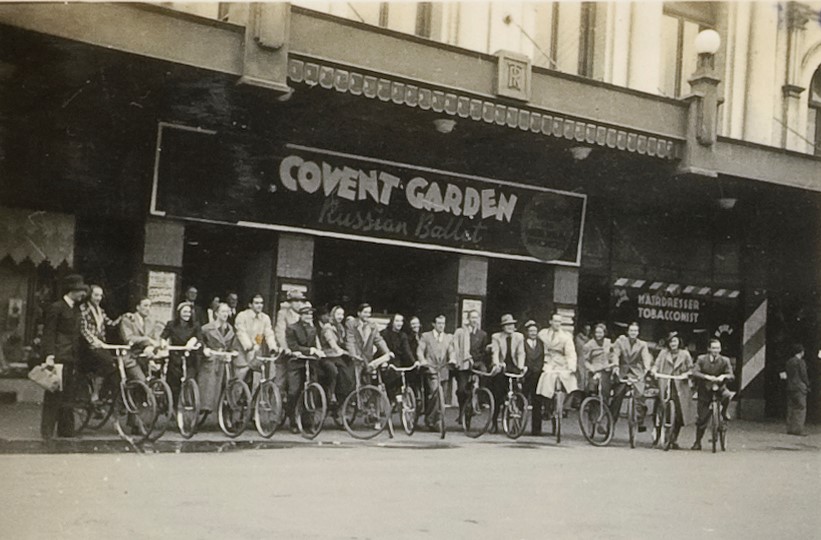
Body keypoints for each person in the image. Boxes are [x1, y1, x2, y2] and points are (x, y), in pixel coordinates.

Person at [40, 274, 87, 440]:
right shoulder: (56, 307)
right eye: (81, 290)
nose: (83, 294)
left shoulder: (75, 309)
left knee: (68, 394)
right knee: (54, 394)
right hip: (59, 356)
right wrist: (49, 355)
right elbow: (49, 332)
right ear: (71, 290)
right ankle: (47, 431)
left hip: (71, 357)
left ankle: (66, 430)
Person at [285, 303, 338, 433]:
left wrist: (318, 352)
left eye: (310, 315)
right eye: (306, 314)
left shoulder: (312, 329)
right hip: (297, 363)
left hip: (310, 363)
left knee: (312, 390)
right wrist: (310, 350)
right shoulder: (291, 328)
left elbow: (315, 345)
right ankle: (292, 420)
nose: (309, 317)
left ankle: (308, 423)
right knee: (294, 391)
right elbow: (293, 346)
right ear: (300, 315)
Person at [650, 332, 694, 449]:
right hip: (665, 382)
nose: (673, 344)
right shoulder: (663, 353)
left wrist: (686, 374)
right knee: (659, 408)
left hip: (679, 385)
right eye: (670, 342)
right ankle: (658, 435)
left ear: (679, 342)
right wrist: (654, 371)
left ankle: (673, 438)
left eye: (675, 341)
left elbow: (691, 368)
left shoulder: (685, 354)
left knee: (678, 413)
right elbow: (656, 364)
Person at [79, 284, 121, 402]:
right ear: (89, 295)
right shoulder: (84, 308)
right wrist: (93, 341)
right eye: (96, 295)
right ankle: (95, 393)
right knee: (107, 363)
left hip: (100, 345)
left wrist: (123, 318)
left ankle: (104, 394)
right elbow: (83, 329)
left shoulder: (101, 311)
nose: (98, 298)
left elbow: (111, 324)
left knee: (113, 367)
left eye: (100, 295)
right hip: (88, 346)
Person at [691, 338, 735, 450]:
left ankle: (724, 412)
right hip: (704, 390)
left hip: (719, 387)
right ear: (709, 349)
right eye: (713, 348)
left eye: (718, 348)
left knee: (727, 395)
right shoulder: (701, 359)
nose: (716, 350)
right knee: (702, 418)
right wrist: (706, 377)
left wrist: (723, 376)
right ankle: (697, 442)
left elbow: (731, 374)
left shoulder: (725, 360)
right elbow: (695, 372)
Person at [198, 303, 241, 416]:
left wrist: (232, 352)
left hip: (224, 362)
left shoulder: (231, 330)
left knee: (228, 386)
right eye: (223, 311)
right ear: (216, 313)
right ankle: (202, 408)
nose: (225, 314)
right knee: (208, 387)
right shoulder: (207, 328)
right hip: (211, 361)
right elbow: (200, 341)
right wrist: (205, 349)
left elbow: (233, 346)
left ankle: (226, 412)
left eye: (227, 311)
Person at [609, 321, 652, 433]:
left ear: (638, 333)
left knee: (640, 395)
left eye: (635, 331)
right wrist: (615, 366)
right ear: (628, 331)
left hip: (636, 372)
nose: (633, 333)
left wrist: (647, 368)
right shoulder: (620, 341)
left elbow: (646, 357)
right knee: (617, 396)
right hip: (622, 371)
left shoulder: (642, 344)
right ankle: (611, 424)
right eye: (631, 330)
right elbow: (616, 354)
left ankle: (640, 420)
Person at [449, 310, 489, 422]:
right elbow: (455, 347)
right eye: (472, 318)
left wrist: (478, 358)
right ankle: (462, 410)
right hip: (464, 364)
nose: (474, 320)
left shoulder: (482, 334)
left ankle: (480, 401)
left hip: (476, 363)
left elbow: (484, 352)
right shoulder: (462, 332)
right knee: (462, 390)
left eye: (476, 318)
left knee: (484, 374)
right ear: (468, 319)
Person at [536, 313, 579, 419]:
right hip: (547, 361)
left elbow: (570, 353)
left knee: (570, 382)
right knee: (546, 379)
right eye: (555, 321)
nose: (557, 324)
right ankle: (546, 407)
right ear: (550, 322)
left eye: (559, 322)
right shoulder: (542, 334)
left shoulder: (566, 336)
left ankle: (563, 407)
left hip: (561, 363)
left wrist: (572, 366)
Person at [417, 315, 454, 431]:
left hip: (443, 370)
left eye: (443, 323)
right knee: (436, 392)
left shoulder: (448, 337)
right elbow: (420, 350)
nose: (441, 326)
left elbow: (451, 350)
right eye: (439, 323)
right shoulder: (426, 336)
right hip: (431, 369)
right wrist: (422, 361)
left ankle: (432, 419)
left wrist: (452, 359)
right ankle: (434, 420)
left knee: (440, 396)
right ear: (434, 324)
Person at [161, 302, 202, 404]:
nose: (187, 314)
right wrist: (164, 343)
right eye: (184, 312)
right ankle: (172, 404)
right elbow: (164, 336)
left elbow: (200, 339)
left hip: (190, 357)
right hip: (175, 355)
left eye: (189, 312)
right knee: (174, 382)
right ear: (179, 313)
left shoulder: (195, 325)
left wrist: (193, 341)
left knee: (190, 379)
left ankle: (189, 402)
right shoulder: (171, 324)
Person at [234, 294, 279, 387]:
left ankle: (254, 399)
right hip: (242, 351)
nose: (260, 305)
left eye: (261, 303)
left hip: (255, 352)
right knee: (239, 379)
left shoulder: (265, 318)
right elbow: (241, 332)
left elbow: (269, 333)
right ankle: (234, 399)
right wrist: (249, 346)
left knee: (257, 378)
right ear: (250, 305)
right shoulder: (242, 316)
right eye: (256, 303)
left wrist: (273, 347)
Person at [490, 314, 525, 433]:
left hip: (514, 366)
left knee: (518, 393)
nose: (511, 327)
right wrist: (497, 364)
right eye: (508, 325)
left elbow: (521, 353)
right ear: (503, 327)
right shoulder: (496, 337)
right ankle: (494, 422)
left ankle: (516, 424)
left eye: (512, 325)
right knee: (498, 396)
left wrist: (521, 366)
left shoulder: (519, 337)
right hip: (502, 366)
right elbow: (495, 351)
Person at [344, 303, 392, 385]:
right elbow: (350, 341)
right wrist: (353, 355)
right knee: (355, 382)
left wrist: (387, 352)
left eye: (369, 313)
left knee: (369, 381)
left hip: (367, 357)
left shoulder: (372, 326)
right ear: (359, 313)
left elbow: (379, 340)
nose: (367, 315)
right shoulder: (351, 324)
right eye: (365, 312)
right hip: (356, 357)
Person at [119, 298, 159, 380]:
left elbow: (155, 339)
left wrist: (152, 345)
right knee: (142, 380)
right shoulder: (128, 319)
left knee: (156, 379)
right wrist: (147, 339)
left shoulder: (150, 322)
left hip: (146, 358)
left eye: (149, 306)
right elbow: (128, 338)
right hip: (132, 357)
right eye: (145, 305)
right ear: (138, 307)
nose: (148, 309)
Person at [319, 306, 354, 401]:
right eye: (338, 314)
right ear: (333, 314)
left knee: (348, 373)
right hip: (327, 356)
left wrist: (352, 352)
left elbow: (345, 342)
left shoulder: (340, 327)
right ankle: (331, 394)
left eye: (342, 314)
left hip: (337, 356)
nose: (340, 316)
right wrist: (340, 351)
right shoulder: (327, 327)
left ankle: (344, 397)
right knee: (334, 371)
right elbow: (332, 343)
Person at [381, 313, 417, 396]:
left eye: (401, 321)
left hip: (398, 362)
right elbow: (381, 348)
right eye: (397, 321)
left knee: (401, 380)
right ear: (392, 322)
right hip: (386, 360)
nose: (399, 323)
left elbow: (407, 350)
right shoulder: (385, 333)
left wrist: (414, 362)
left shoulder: (403, 335)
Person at [523, 320, 545, 435]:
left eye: (535, 331)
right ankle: (517, 427)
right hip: (526, 376)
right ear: (527, 332)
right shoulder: (522, 343)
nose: (533, 333)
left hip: (538, 376)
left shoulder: (541, 343)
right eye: (531, 331)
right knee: (522, 400)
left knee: (537, 402)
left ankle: (536, 429)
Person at [582, 323, 614, 400]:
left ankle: (604, 409)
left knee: (605, 390)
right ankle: (593, 408)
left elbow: (612, 356)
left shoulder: (608, 343)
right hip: (594, 370)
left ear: (604, 333)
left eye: (600, 333)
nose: (598, 335)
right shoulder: (589, 345)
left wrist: (612, 364)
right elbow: (585, 360)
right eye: (596, 333)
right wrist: (591, 368)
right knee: (592, 388)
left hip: (606, 370)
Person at [784, 343, 808, 436]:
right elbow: (803, 375)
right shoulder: (801, 362)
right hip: (799, 387)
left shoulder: (789, 361)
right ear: (801, 352)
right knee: (801, 408)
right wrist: (807, 384)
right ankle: (798, 429)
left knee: (791, 407)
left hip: (790, 386)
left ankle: (790, 428)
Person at [575, 323, 592, 389]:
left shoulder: (589, 339)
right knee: (580, 376)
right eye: (586, 330)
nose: (587, 331)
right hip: (580, 359)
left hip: (587, 360)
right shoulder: (578, 338)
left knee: (586, 377)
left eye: (589, 330)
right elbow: (581, 348)